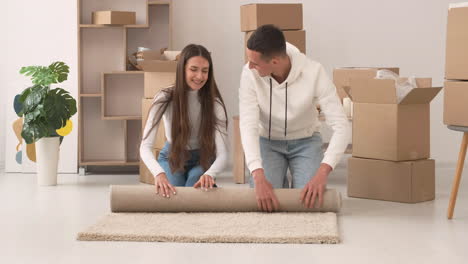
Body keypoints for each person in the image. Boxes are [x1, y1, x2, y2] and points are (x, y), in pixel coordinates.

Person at [239, 25, 351, 212]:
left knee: (308, 202)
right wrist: (257, 174)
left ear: (274, 62)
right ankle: (277, 181)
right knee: (265, 203)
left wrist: (323, 172)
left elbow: (342, 126)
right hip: (268, 142)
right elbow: (248, 124)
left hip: (306, 141)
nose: (250, 66)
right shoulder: (249, 73)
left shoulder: (314, 72)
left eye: (255, 63)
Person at [140, 44, 229, 197]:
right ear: (182, 70)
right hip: (172, 158)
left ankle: (207, 184)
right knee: (174, 195)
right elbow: (145, 147)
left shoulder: (215, 103)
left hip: (202, 158)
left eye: (205, 71)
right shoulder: (164, 97)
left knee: (194, 190)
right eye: (193, 69)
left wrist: (210, 174)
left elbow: (222, 155)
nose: (200, 76)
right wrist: (159, 174)